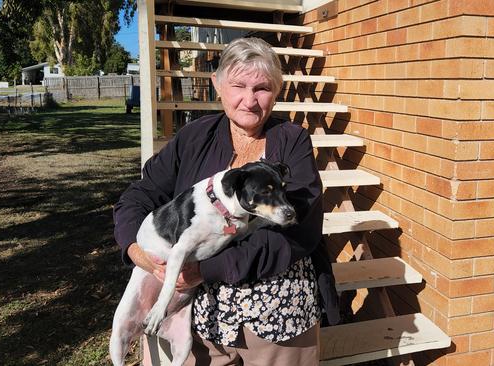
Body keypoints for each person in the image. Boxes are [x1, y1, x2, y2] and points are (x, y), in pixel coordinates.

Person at [113, 37, 339, 365]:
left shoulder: (292, 141)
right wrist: (135, 249)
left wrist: (206, 269)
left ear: (276, 92)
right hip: (193, 319)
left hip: (276, 318)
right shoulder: (195, 136)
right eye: (238, 86)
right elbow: (141, 194)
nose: (249, 100)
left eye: (261, 88)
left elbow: (299, 230)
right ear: (217, 85)